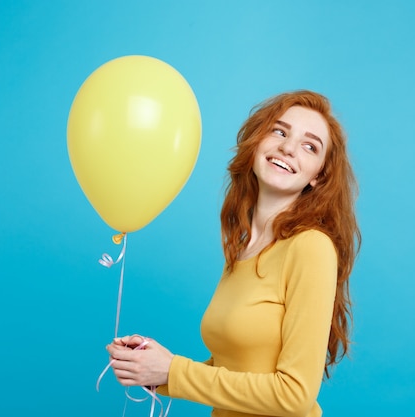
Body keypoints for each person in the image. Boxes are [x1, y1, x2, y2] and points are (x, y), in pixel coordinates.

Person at [106, 90, 361, 417]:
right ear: (257, 142)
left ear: (318, 176)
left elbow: (295, 394)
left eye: (310, 146)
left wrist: (174, 371)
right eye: (279, 131)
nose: (287, 147)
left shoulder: (310, 247)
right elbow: (235, 368)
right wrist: (151, 366)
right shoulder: (242, 248)